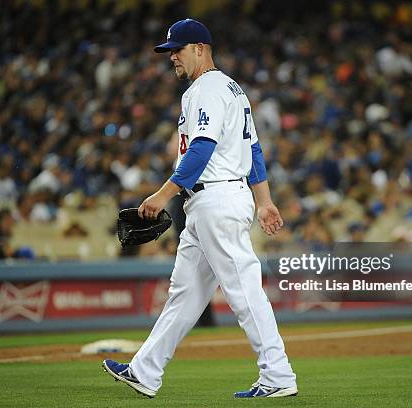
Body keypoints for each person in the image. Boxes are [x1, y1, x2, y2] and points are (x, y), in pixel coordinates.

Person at [102, 19, 297, 399]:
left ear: (200, 48)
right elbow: (253, 150)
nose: (171, 56)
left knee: (243, 291)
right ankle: (145, 371)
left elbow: (202, 149)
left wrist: (163, 195)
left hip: (216, 199)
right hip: (213, 201)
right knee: (185, 293)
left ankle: (278, 375)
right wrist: (264, 200)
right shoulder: (232, 89)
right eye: (169, 50)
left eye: (177, 49)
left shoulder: (205, 89)